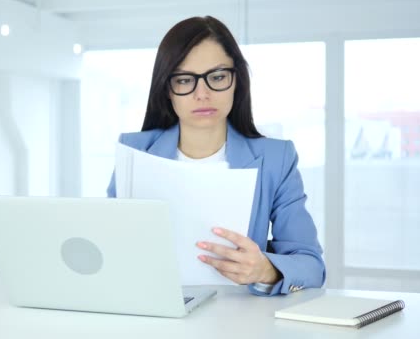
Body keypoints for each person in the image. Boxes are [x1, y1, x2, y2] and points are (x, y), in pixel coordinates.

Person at [106, 16, 325, 296]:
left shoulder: (276, 159)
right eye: (185, 80)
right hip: (151, 312)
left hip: (239, 321)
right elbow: (111, 247)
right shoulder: (134, 153)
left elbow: (311, 266)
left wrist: (266, 270)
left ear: (237, 82)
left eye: (217, 77)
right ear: (167, 90)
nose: (203, 93)